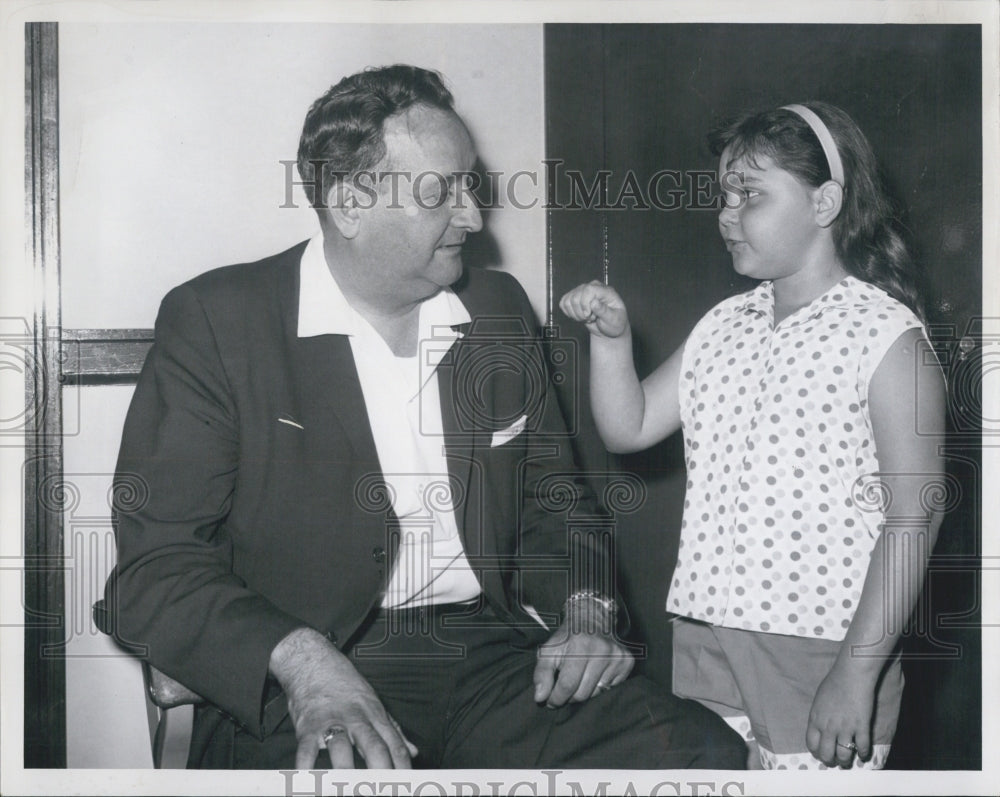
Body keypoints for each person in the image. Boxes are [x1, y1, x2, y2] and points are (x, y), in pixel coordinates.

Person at [103, 64, 744, 770]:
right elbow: (156, 567)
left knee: (700, 754)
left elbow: (557, 500)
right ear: (350, 203)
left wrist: (587, 605)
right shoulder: (220, 322)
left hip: (491, 659)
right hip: (299, 667)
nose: (473, 215)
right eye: (443, 192)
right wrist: (303, 660)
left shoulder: (498, 310)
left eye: (472, 184)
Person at [560, 101, 946, 770]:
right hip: (708, 630)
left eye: (751, 195)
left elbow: (915, 515)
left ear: (825, 203)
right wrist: (612, 342)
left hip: (822, 647)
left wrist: (857, 673)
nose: (725, 213)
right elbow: (628, 427)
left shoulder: (885, 337)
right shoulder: (724, 324)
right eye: (722, 195)